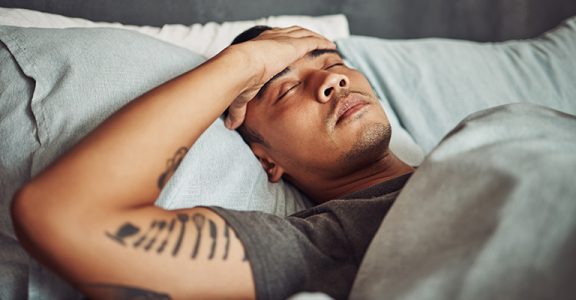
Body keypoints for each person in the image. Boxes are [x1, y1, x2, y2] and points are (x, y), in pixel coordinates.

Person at [11, 26, 414, 299]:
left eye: (332, 63)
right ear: (267, 161)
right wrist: (244, 64)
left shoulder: (464, 137)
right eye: (287, 88)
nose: (331, 81)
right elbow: (65, 216)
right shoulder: (321, 247)